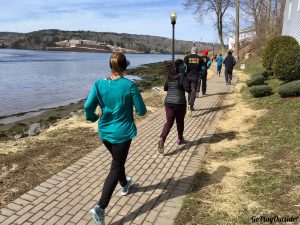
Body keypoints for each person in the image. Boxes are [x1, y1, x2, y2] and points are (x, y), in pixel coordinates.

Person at [84, 52, 147, 225]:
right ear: (125, 66)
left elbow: (88, 106)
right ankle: (100, 208)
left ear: (110, 66)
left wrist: (92, 117)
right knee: (116, 165)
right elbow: (141, 111)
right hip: (122, 134)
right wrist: (132, 109)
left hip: (105, 132)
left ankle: (124, 184)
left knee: (117, 161)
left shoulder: (98, 84)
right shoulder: (129, 85)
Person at [158, 59, 187, 153]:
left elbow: (165, 88)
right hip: (180, 103)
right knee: (180, 121)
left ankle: (162, 139)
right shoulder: (183, 76)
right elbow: (186, 88)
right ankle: (179, 139)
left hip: (169, 103)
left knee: (169, 122)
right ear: (181, 68)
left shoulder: (169, 76)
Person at [184, 47, 203, 115]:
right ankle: (190, 105)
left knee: (190, 91)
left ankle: (190, 106)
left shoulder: (186, 58)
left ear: (191, 51)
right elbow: (202, 68)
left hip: (187, 76)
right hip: (195, 76)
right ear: (196, 51)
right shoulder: (200, 58)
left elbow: (184, 67)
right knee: (193, 92)